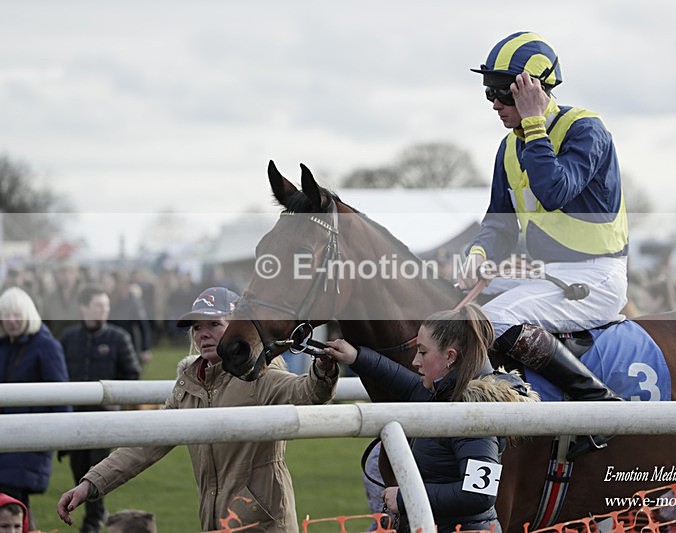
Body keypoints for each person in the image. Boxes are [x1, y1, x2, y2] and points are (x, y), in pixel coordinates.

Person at [457, 31, 628, 459]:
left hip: (597, 276)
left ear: (533, 88)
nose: (494, 104)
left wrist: (534, 121)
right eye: (488, 94)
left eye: (502, 93)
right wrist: (478, 255)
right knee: (450, 312)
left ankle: (598, 406)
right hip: (547, 277)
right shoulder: (509, 148)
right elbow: (498, 221)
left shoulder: (587, 130)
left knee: (491, 320)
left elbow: (555, 189)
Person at [57, 287, 339, 533]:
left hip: (263, 525)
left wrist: (322, 370)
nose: (203, 334)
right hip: (214, 522)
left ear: (236, 326)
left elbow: (307, 393)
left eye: (213, 324)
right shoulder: (188, 387)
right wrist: (90, 484)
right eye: (196, 328)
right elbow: (145, 445)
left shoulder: (261, 377)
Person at [325, 303, 535, 533]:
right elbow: (403, 382)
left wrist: (405, 498)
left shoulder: (474, 414)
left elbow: (480, 494)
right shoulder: (446, 393)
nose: (415, 361)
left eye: (423, 352)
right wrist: (356, 357)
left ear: (450, 357)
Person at [58, 284, 142, 533]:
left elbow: (133, 374)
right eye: (98, 306)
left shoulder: (118, 338)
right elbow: (58, 375)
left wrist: (112, 398)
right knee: (78, 468)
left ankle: (93, 521)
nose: (103, 310)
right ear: (83, 307)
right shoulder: (69, 338)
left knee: (97, 469)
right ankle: (93, 515)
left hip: (105, 418)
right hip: (74, 418)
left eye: (106, 306)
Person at [0, 287, 71, 530]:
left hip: (28, 438)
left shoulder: (45, 346)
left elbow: (60, 392)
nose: (10, 321)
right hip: (7, 437)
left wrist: (65, 436)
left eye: (16, 315)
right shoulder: (5, 345)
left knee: (13, 503)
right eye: (5, 315)